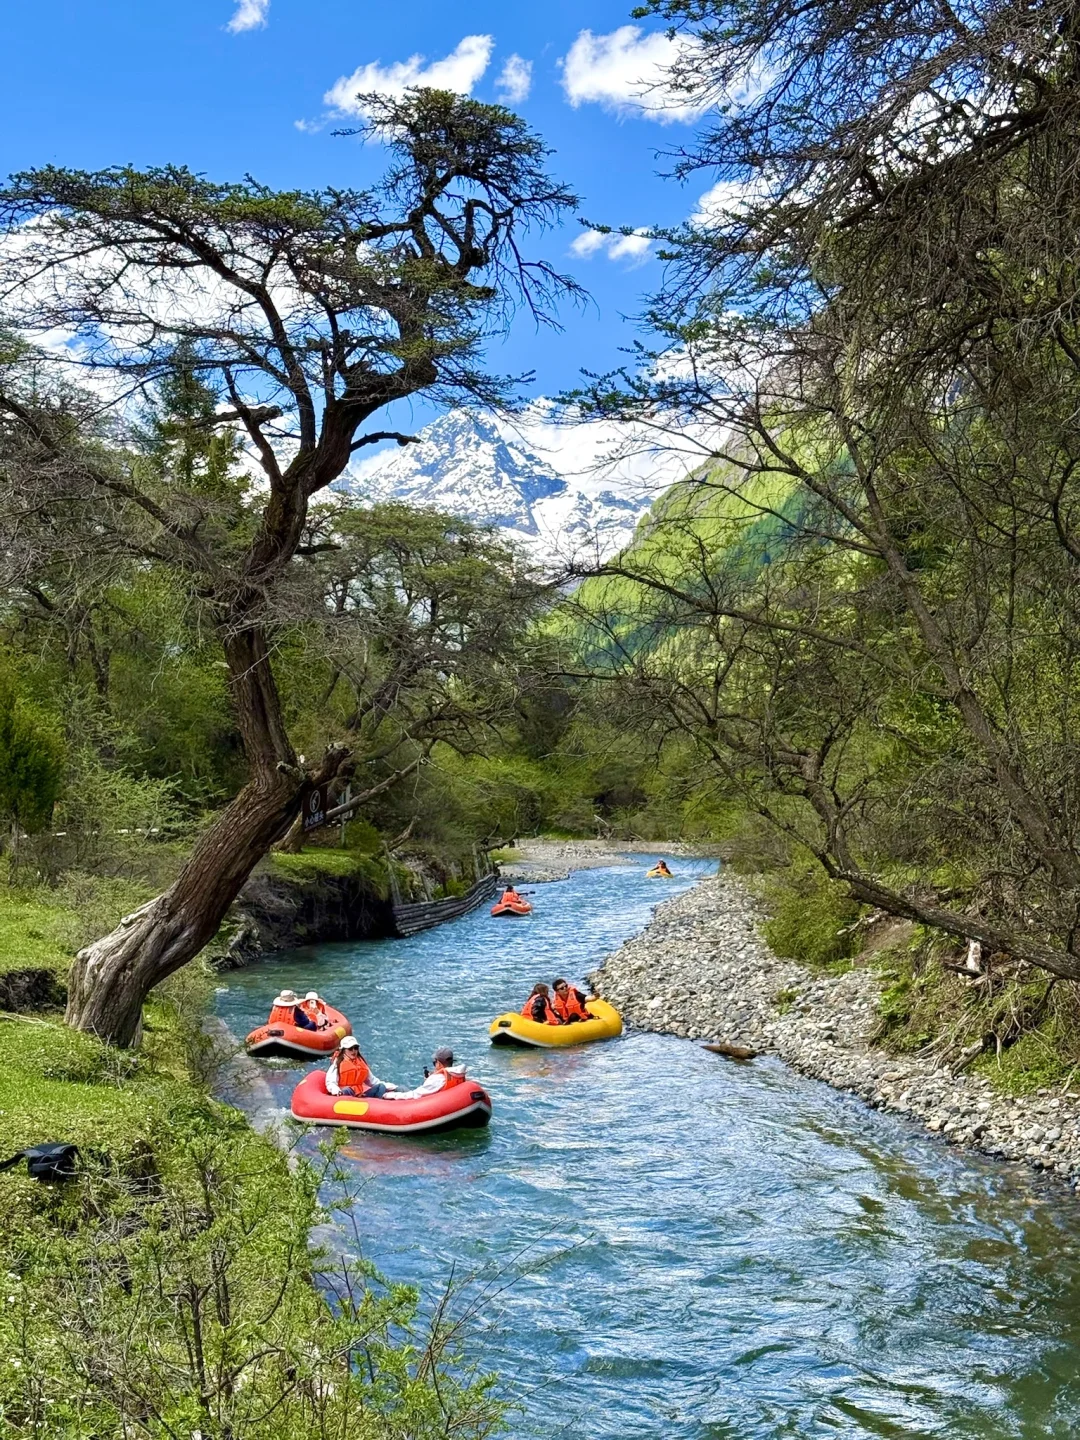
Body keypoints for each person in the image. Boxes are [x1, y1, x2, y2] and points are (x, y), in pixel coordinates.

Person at [325, 1036, 395, 1099]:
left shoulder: (361, 1063)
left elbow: (373, 1081)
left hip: (360, 1095)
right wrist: (336, 1091)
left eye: (355, 1048)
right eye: (350, 1049)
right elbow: (331, 1082)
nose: (353, 1051)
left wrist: (392, 1087)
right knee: (348, 1090)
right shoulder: (338, 1063)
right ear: (344, 1050)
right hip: (344, 1094)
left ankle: (376, 1105)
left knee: (381, 1087)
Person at [385, 1047, 467, 1100]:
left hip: (421, 1104)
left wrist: (389, 1095)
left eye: (434, 1063)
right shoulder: (458, 1074)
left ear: (439, 1063)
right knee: (399, 1088)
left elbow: (415, 1095)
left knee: (400, 1088)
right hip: (442, 1101)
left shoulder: (437, 1079)